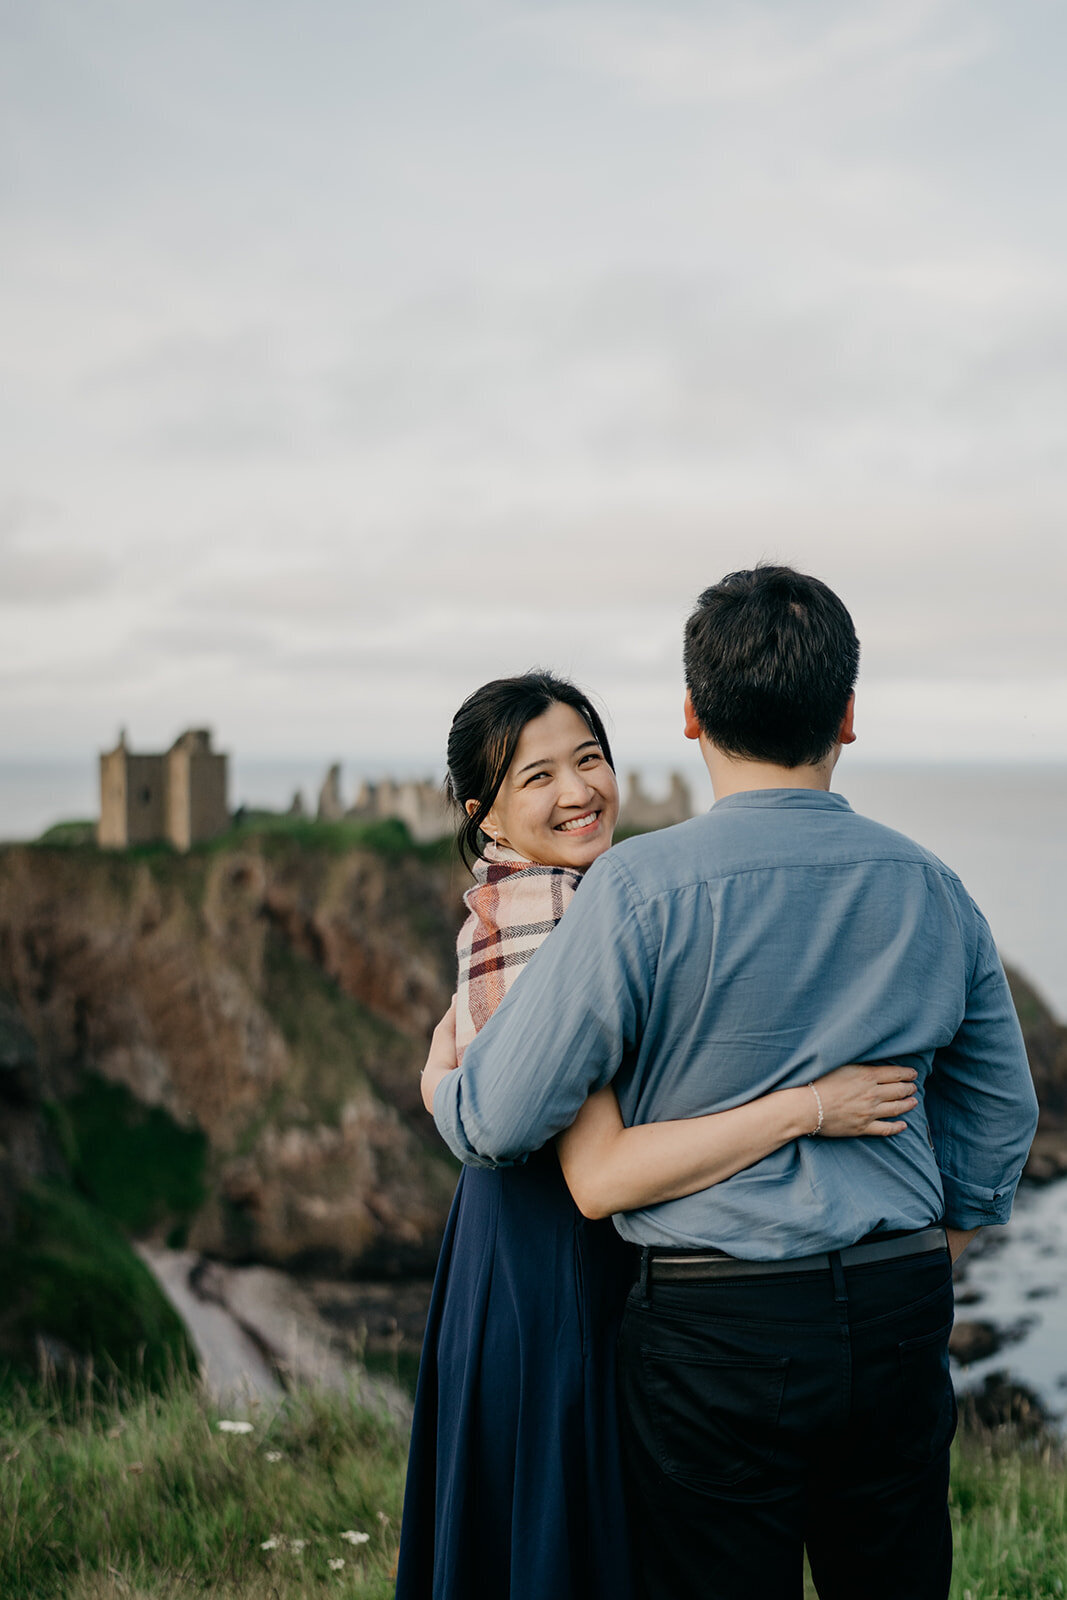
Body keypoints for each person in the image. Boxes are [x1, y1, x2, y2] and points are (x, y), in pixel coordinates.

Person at [427, 573, 1039, 1600]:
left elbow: (494, 1122)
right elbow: (998, 1116)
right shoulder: (932, 886)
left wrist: (441, 1078)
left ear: (689, 716)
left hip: (714, 1321)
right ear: (845, 714)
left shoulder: (632, 893)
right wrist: (929, 1249)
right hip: (893, 1300)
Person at [397, 669, 920, 1600]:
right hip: (553, 1249)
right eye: (537, 777)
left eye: (588, 758)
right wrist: (811, 1107)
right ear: (483, 814)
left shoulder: (564, 890)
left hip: (533, 1247)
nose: (577, 790)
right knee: (573, 1528)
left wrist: (442, 1082)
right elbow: (594, 1173)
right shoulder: (554, 912)